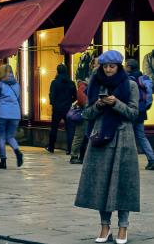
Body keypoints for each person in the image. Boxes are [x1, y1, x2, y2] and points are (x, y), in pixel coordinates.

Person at [75, 50, 140, 244]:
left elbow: (134, 114)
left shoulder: (131, 85)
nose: (108, 69)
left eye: (112, 66)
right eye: (105, 66)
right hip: (100, 138)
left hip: (123, 138)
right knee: (100, 183)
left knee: (123, 183)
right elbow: (86, 114)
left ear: (118, 66)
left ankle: (123, 227)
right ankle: (104, 226)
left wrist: (117, 103)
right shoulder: (95, 84)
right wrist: (99, 105)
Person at [124, 59, 154, 170]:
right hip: (141, 111)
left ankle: (127, 161)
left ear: (129, 68)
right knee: (141, 136)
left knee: (127, 136)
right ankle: (152, 159)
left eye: (125, 65)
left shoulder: (129, 79)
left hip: (131, 110)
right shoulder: (143, 78)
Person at [0, 64, 24, 169]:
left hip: (2, 113)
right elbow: (19, 99)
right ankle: (17, 151)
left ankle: (3, 161)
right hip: (15, 113)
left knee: (1, 136)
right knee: (10, 136)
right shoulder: (17, 85)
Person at [48, 64, 77, 154]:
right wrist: (69, 101)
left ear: (58, 71)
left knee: (54, 128)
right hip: (67, 108)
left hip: (57, 108)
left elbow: (52, 96)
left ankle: (51, 147)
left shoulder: (55, 82)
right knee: (70, 129)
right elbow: (75, 96)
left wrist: (54, 103)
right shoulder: (71, 83)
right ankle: (69, 149)